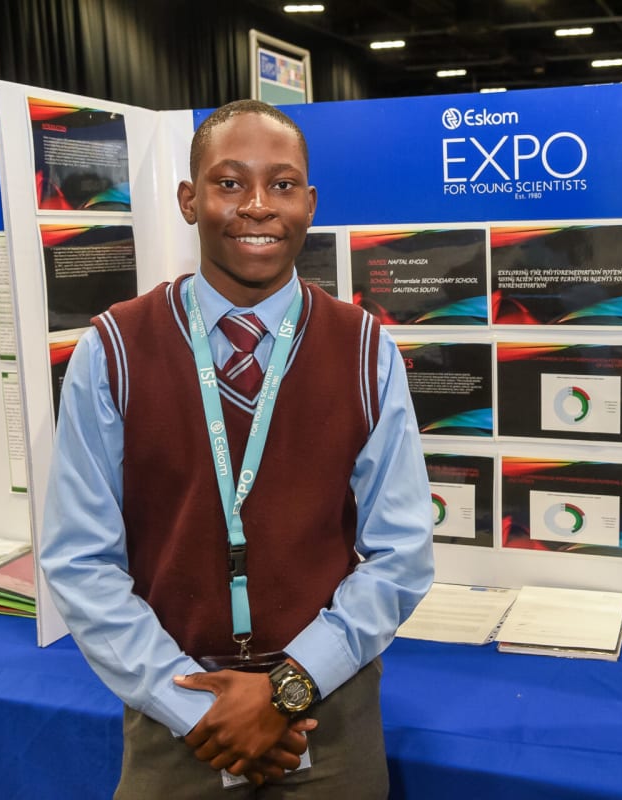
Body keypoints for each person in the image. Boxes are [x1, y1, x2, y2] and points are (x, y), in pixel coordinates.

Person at [39, 99, 434, 798]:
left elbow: (402, 555)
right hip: (176, 715)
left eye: (281, 185)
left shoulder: (365, 351)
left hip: (327, 715)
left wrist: (284, 689)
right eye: (230, 182)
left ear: (309, 203)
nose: (258, 205)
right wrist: (198, 707)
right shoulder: (114, 350)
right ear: (190, 200)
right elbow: (79, 559)